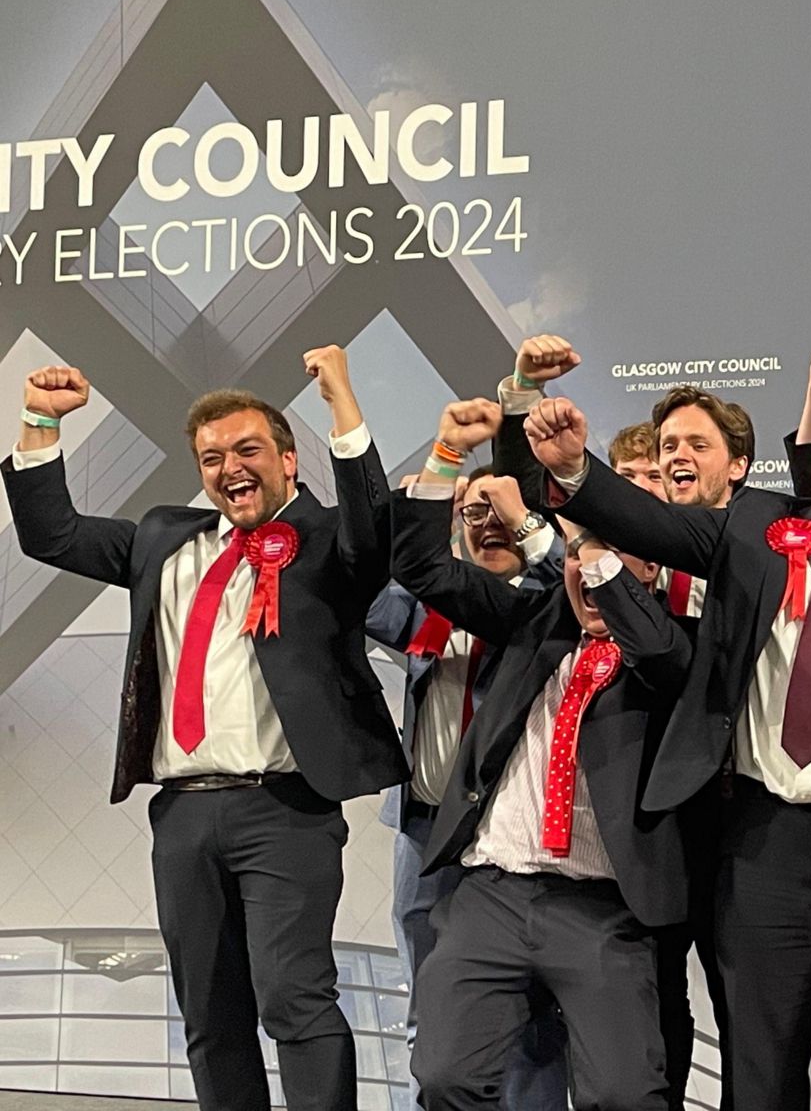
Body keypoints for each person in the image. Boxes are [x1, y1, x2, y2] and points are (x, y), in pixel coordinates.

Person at [523, 347, 811, 1111]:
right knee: (759, 1077)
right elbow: (653, 524)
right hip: (762, 848)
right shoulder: (764, 526)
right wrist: (575, 470)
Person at [2, 350, 406, 1110]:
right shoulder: (164, 538)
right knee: (211, 1020)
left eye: (248, 450)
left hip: (285, 811)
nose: (230, 468)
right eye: (212, 458)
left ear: (288, 460)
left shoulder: (323, 542)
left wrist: (343, 402)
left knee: (294, 999)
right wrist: (39, 422)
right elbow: (51, 536)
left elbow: (373, 531)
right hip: (184, 815)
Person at [392, 398, 694, 1109]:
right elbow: (422, 569)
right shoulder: (532, 621)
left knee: (624, 1097)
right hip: (490, 892)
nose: (594, 578)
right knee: (444, 1077)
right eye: (585, 560)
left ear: (651, 576)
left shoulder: (677, 651)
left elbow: (649, 642)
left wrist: (580, 556)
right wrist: (444, 457)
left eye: (621, 566)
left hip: (601, 908)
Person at [367, 471, 567, 1111]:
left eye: (495, 509)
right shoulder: (429, 609)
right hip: (424, 835)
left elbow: (557, 571)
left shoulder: (546, 609)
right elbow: (363, 593)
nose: (483, 521)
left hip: (511, 844)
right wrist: (420, 505)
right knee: (430, 1006)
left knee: (530, 1024)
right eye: (469, 511)